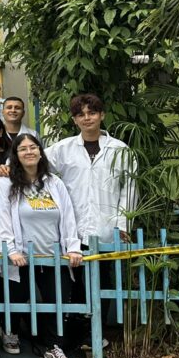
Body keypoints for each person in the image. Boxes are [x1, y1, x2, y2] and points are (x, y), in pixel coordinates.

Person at [0, 133, 82, 358]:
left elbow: (68, 216)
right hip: (22, 256)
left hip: (53, 255)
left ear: (40, 152)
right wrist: (11, 249)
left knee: (57, 301)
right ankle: (9, 330)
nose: (29, 152)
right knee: (16, 298)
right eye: (23, 149)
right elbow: (2, 219)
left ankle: (54, 347)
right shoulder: (5, 183)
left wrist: (73, 247)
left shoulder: (54, 182)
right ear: (16, 155)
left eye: (33, 147)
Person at [46, 93, 137, 245]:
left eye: (92, 113)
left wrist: (123, 225)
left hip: (109, 232)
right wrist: (9, 167)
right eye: (81, 115)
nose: (87, 118)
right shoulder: (63, 148)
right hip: (73, 230)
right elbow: (33, 163)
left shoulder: (120, 150)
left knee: (106, 269)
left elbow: (129, 188)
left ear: (102, 115)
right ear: (74, 120)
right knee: (75, 268)